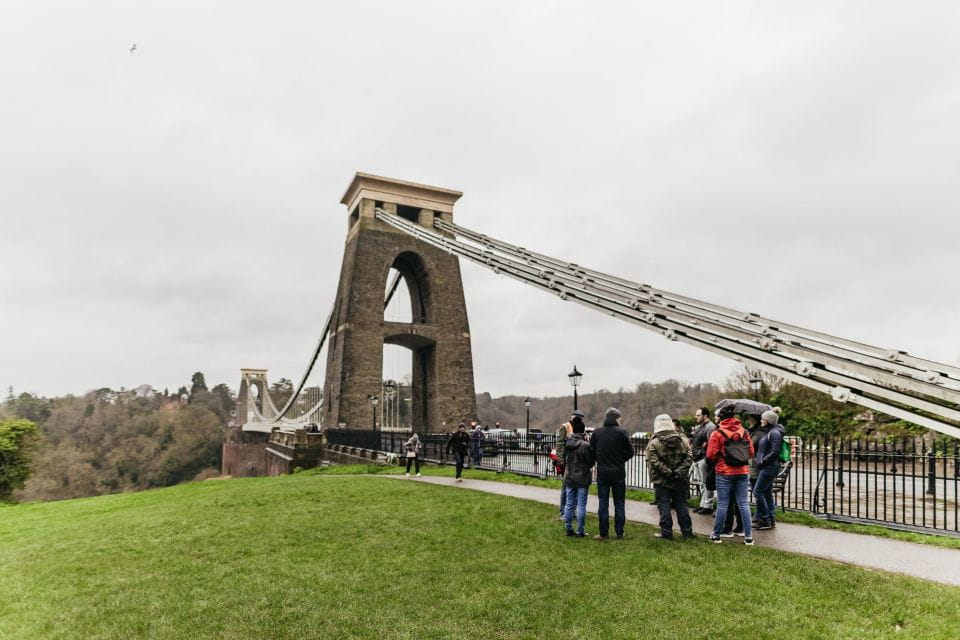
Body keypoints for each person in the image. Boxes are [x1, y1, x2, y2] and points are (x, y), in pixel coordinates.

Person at [707, 404, 755, 545]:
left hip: (724, 472)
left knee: (723, 504)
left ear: (721, 417)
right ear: (734, 417)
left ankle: (716, 535)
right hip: (742, 471)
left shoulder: (718, 433)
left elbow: (711, 455)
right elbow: (751, 452)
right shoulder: (744, 432)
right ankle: (748, 537)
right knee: (743, 504)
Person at [646, 414, 694, 540]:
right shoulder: (683, 441)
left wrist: (669, 473)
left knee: (664, 505)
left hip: (662, 481)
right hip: (681, 479)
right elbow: (689, 457)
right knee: (681, 505)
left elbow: (654, 462)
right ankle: (687, 533)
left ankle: (666, 533)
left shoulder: (654, 443)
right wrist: (678, 472)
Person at [589, 407, 634, 540]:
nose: (620, 421)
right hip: (618, 472)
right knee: (619, 503)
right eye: (619, 418)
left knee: (603, 502)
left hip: (603, 472)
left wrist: (600, 460)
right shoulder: (622, 432)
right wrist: (620, 460)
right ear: (616, 418)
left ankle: (604, 533)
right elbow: (630, 452)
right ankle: (619, 532)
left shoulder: (597, 432)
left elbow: (592, 451)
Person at [562, 414, 594, 537]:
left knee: (569, 503)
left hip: (570, 477)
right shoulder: (585, 446)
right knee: (581, 505)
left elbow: (564, 458)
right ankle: (580, 530)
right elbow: (591, 462)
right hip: (582, 478)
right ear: (583, 431)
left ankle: (568, 528)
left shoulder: (567, 443)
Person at [753, 410, 784, 529]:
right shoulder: (769, 432)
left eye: (763, 419)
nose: (761, 420)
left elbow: (775, 451)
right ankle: (770, 519)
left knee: (758, 492)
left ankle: (765, 520)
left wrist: (763, 461)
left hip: (769, 467)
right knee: (766, 493)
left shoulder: (775, 433)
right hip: (766, 466)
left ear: (769, 420)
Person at [691, 407, 717, 515]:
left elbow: (712, 444)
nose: (696, 417)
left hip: (704, 458)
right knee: (702, 483)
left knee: (706, 484)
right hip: (697, 458)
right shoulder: (700, 426)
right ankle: (703, 504)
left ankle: (708, 506)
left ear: (705, 416)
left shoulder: (710, 427)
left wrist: (706, 456)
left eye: (698, 415)